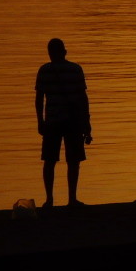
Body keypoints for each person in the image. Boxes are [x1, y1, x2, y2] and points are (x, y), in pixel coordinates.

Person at [35, 38, 92, 208]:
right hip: (73, 120)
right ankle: (72, 199)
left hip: (52, 121)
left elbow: (39, 99)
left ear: (49, 53)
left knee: (49, 160)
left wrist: (40, 121)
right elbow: (83, 98)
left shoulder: (44, 70)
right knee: (73, 161)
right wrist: (87, 122)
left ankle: (49, 200)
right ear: (65, 52)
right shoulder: (75, 69)